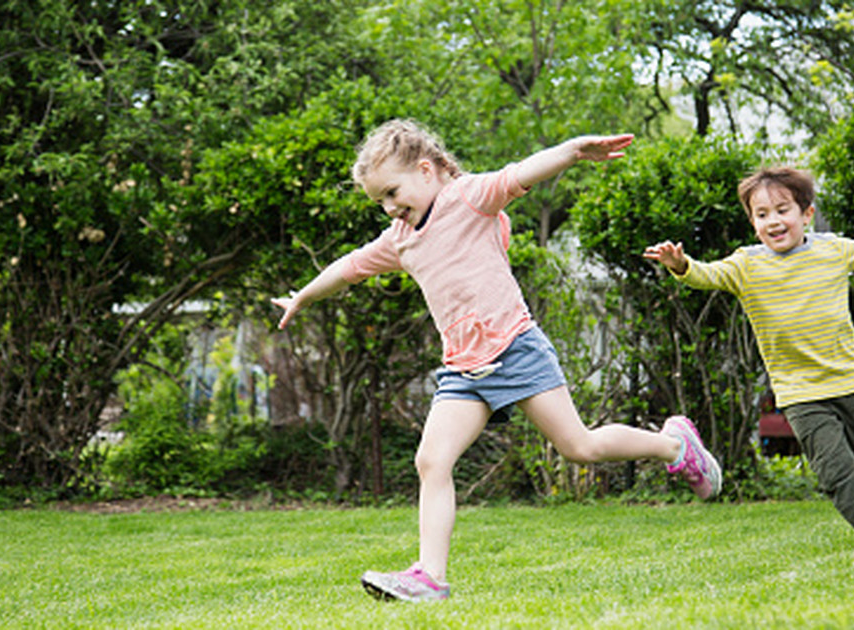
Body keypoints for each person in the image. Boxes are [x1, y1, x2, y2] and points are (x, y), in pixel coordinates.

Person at [272, 119, 722, 602]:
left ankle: (674, 447)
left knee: (580, 447)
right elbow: (351, 266)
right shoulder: (400, 237)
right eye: (379, 200)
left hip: (514, 348)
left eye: (392, 192)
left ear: (426, 170)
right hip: (463, 369)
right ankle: (429, 577)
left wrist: (571, 150)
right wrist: (304, 296)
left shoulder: (468, 198)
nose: (388, 207)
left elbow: (520, 173)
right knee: (432, 460)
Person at [644, 166, 854, 550]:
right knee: (836, 471)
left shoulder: (831, 250)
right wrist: (680, 265)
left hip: (853, 381)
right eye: (762, 215)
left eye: (782, 210)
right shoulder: (746, 265)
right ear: (752, 222)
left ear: (806, 214)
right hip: (800, 393)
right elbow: (706, 275)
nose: (773, 221)